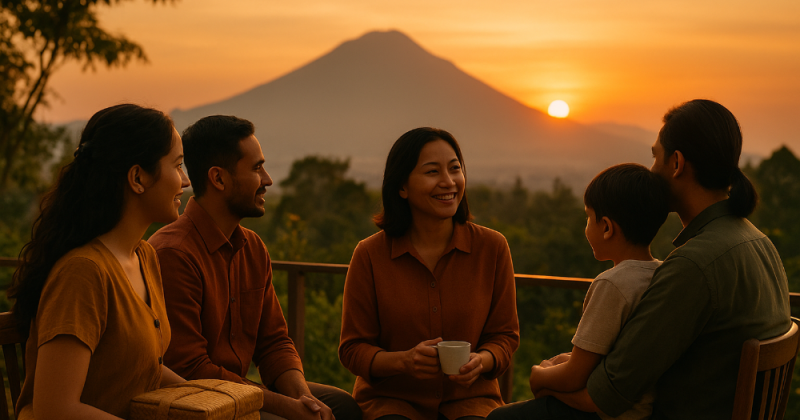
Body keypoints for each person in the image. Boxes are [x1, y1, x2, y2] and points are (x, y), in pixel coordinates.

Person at [528, 99, 789, 419]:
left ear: (676, 163)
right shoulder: (759, 243)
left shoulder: (695, 265)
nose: (651, 170)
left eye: (655, 157)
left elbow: (607, 395)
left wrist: (544, 381)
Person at [148, 115, 361, 420]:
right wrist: (285, 406)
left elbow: (274, 342)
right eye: (257, 168)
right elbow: (191, 369)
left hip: (241, 390)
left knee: (342, 406)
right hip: (200, 400)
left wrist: (303, 397)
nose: (268, 180)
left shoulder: (252, 248)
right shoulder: (174, 254)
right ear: (218, 179)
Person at [9, 104, 190, 419]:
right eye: (177, 166)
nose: (185, 181)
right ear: (138, 178)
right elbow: (54, 409)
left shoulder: (144, 256)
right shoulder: (84, 273)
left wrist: (208, 396)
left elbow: (141, 368)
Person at [338, 127, 520, 420]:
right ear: (402, 187)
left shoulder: (492, 248)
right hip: (390, 404)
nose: (448, 182)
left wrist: (482, 361)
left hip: (471, 403)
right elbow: (352, 348)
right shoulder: (370, 254)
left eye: (455, 169)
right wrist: (403, 362)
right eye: (432, 172)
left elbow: (505, 336)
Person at [486, 163, 670, 420]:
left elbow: (576, 375)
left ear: (606, 227)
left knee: (499, 417)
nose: (586, 226)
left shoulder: (612, 284)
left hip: (608, 414)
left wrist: (538, 375)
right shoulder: (664, 274)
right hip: (645, 409)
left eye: (587, 217)